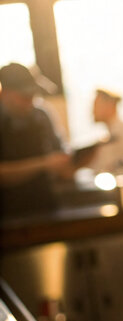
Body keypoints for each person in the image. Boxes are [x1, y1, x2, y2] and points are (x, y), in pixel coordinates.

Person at [0, 62, 73, 216]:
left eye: (33, 96)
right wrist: (44, 164)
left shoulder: (41, 116)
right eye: (24, 97)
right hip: (8, 215)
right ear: (4, 93)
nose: (30, 103)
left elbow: (59, 155)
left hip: (46, 206)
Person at [86, 88, 123, 173]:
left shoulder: (121, 133)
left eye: (96, 106)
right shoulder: (112, 131)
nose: (92, 111)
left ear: (110, 106)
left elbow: (106, 167)